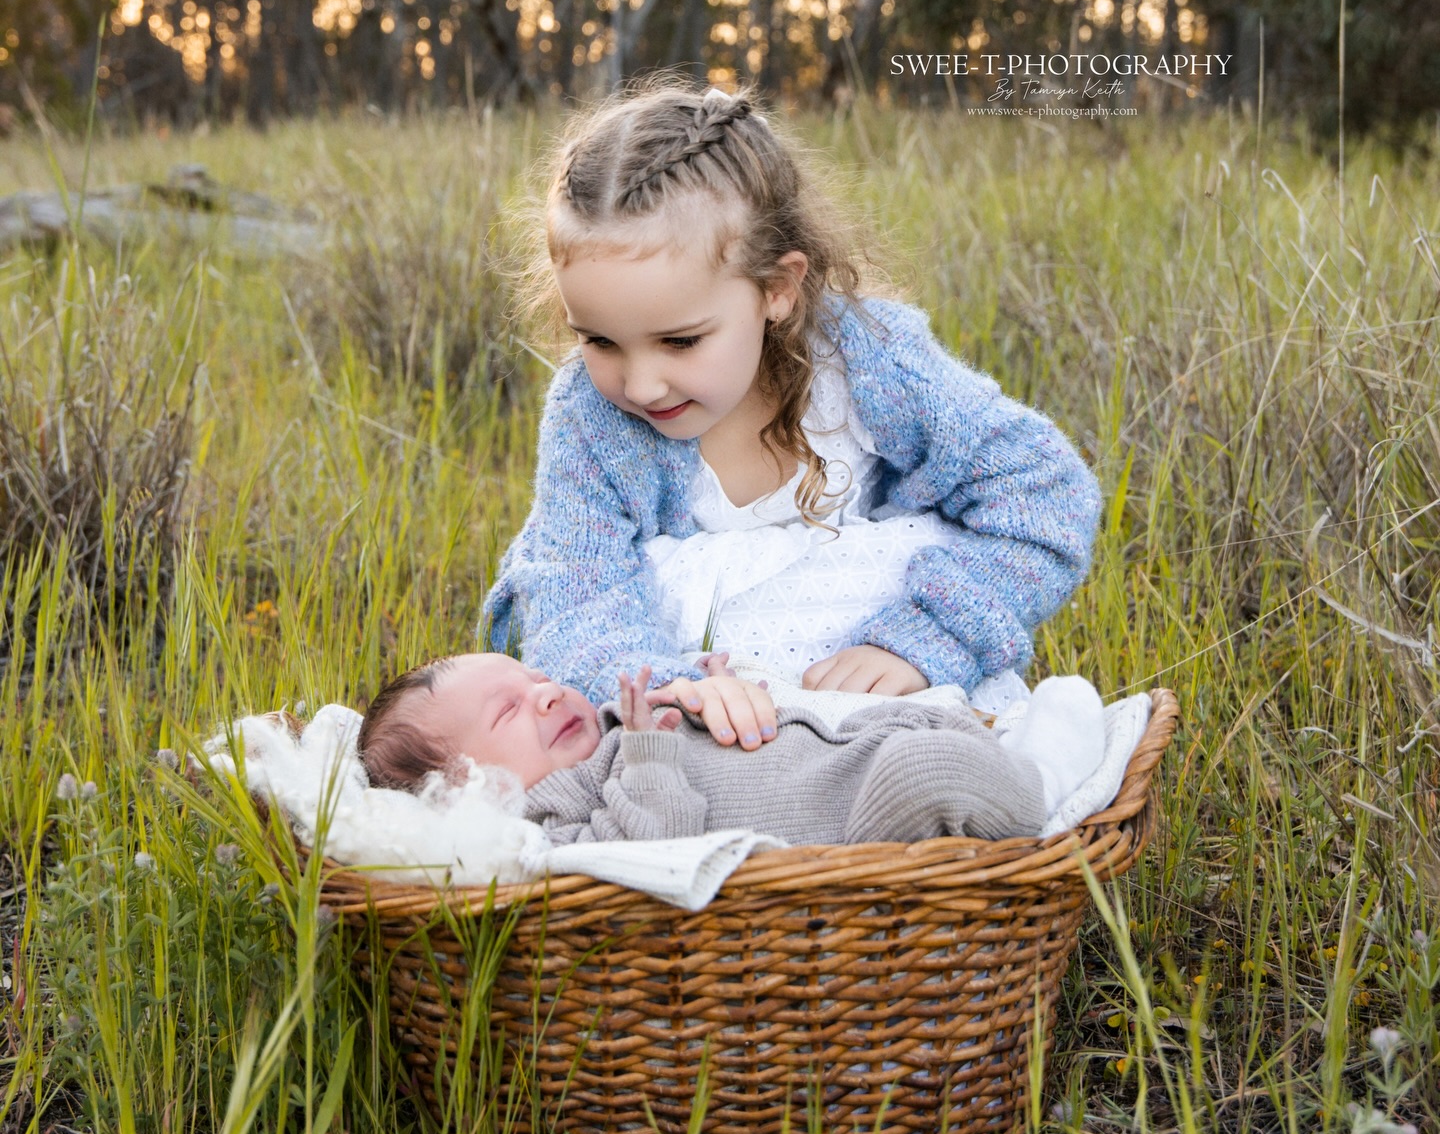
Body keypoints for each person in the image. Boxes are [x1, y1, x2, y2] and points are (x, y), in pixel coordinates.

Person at [484, 77, 1102, 715]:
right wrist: (674, 691)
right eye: (600, 341)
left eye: (680, 341)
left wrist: (922, 642)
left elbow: (1044, 493)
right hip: (709, 716)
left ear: (777, 287)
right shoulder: (590, 417)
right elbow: (573, 597)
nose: (639, 385)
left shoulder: (870, 365)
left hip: (871, 695)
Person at [356, 652, 1107, 847]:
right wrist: (650, 756)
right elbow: (645, 850)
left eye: (539, 679)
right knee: (927, 772)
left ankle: (1005, 752)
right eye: (508, 710)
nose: (548, 695)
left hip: (849, 748)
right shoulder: (550, 823)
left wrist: (715, 687)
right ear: (462, 792)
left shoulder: (619, 729)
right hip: (860, 825)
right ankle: (1045, 790)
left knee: (925, 734)